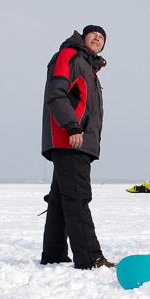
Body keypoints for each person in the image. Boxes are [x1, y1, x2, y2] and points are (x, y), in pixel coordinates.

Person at [40, 25, 115, 269]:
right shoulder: (70, 56)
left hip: (78, 142)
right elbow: (56, 93)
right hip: (71, 140)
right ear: (83, 38)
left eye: (102, 38)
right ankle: (90, 257)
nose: (98, 38)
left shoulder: (89, 68)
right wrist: (72, 127)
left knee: (62, 199)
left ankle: (54, 254)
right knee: (78, 198)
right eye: (93, 34)